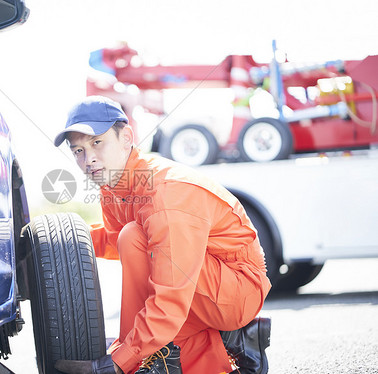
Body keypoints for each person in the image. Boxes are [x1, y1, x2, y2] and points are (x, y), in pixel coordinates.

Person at [53, 96, 272, 374]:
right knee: (131, 239)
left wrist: (121, 362)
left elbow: (170, 294)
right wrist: (58, 241)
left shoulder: (166, 193)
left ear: (126, 138)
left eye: (97, 142)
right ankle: (232, 340)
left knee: (136, 240)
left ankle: (153, 357)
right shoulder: (113, 186)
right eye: (78, 151)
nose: (89, 159)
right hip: (204, 283)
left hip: (238, 290)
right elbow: (116, 240)